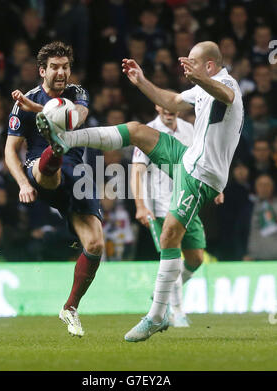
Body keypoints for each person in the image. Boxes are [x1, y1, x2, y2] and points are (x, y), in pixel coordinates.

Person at [35, 40, 243, 342]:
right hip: (187, 158)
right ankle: (68, 140)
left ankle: (157, 315)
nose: (188, 66)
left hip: (203, 175)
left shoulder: (225, 84)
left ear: (209, 65)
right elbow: (171, 101)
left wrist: (199, 79)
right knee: (135, 130)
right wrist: (142, 81)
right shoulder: (203, 86)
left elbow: (226, 94)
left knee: (173, 235)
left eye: (194, 63)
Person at [4, 41, 104, 338]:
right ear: (42, 71)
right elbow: (10, 151)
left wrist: (38, 111)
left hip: (78, 175)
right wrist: (22, 183)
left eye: (65, 67)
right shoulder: (25, 100)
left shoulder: (77, 93)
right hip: (39, 167)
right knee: (51, 173)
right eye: (55, 68)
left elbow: (77, 118)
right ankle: (55, 147)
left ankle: (70, 308)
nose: (61, 73)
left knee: (96, 244)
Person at [131, 104, 205, 327]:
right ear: (156, 107)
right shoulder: (148, 131)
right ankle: (177, 311)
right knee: (173, 258)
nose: (169, 110)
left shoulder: (189, 129)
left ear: (179, 109)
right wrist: (141, 206)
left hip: (187, 201)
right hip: (161, 207)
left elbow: (200, 162)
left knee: (196, 258)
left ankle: (161, 294)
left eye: (173, 106)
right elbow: (137, 172)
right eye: (164, 105)